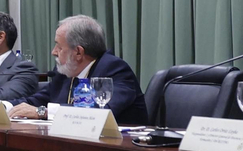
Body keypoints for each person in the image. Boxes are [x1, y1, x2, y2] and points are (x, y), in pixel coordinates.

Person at [8, 15, 148, 124]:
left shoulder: (114, 69)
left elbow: (100, 111)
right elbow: (35, 102)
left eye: (59, 46)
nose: (53, 52)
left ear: (78, 52)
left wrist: (43, 112)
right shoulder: (65, 73)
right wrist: (2, 106)